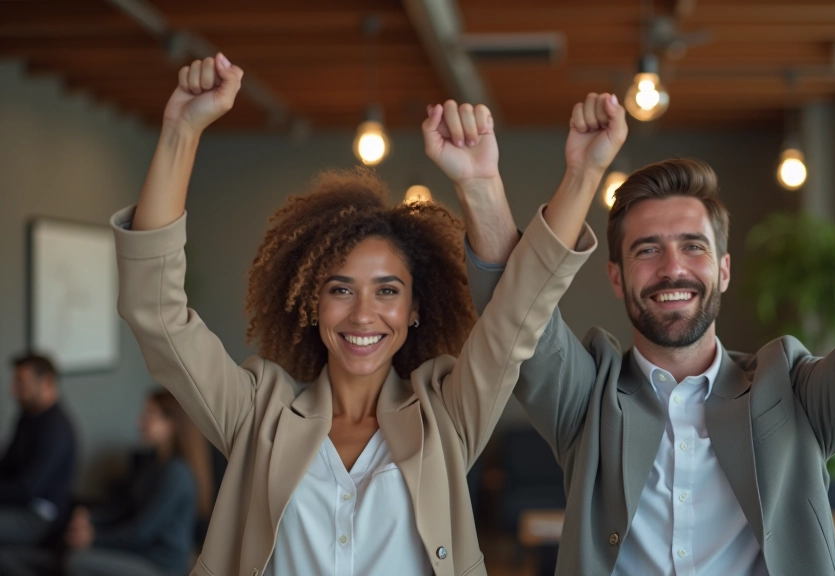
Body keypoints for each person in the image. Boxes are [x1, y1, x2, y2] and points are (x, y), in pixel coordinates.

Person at [110, 53, 601, 576]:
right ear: (312, 304)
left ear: (414, 310)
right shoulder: (258, 417)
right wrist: (180, 131)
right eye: (340, 289)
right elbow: (156, 312)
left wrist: (558, 175)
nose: (364, 314)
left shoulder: (448, 415)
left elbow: (518, 316)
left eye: (387, 291)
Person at [461, 89, 835, 575]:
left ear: (723, 270)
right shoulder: (588, 399)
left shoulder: (791, 393)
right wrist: (487, 185)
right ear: (616, 276)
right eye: (647, 250)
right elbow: (516, 318)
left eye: (692, 246)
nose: (673, 268)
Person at [0, 390, 211, 576]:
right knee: (63, 551)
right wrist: (90, 520)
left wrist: (94, 537)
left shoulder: (176, 474)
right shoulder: (152, 464)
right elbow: (125, 510)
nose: (140, 421)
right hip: (138, 552)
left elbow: (142, 531)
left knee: (77, 562)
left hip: (159, 565)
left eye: (149, 415)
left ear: (171, 425)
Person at [0, 353, 76, 547]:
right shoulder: (27, 417)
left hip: (40, 518)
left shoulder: (57, 430)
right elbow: (7, 465)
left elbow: (28, 489)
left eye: (21, 383)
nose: (13, 390)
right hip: (16, 505)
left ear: (47, 382)